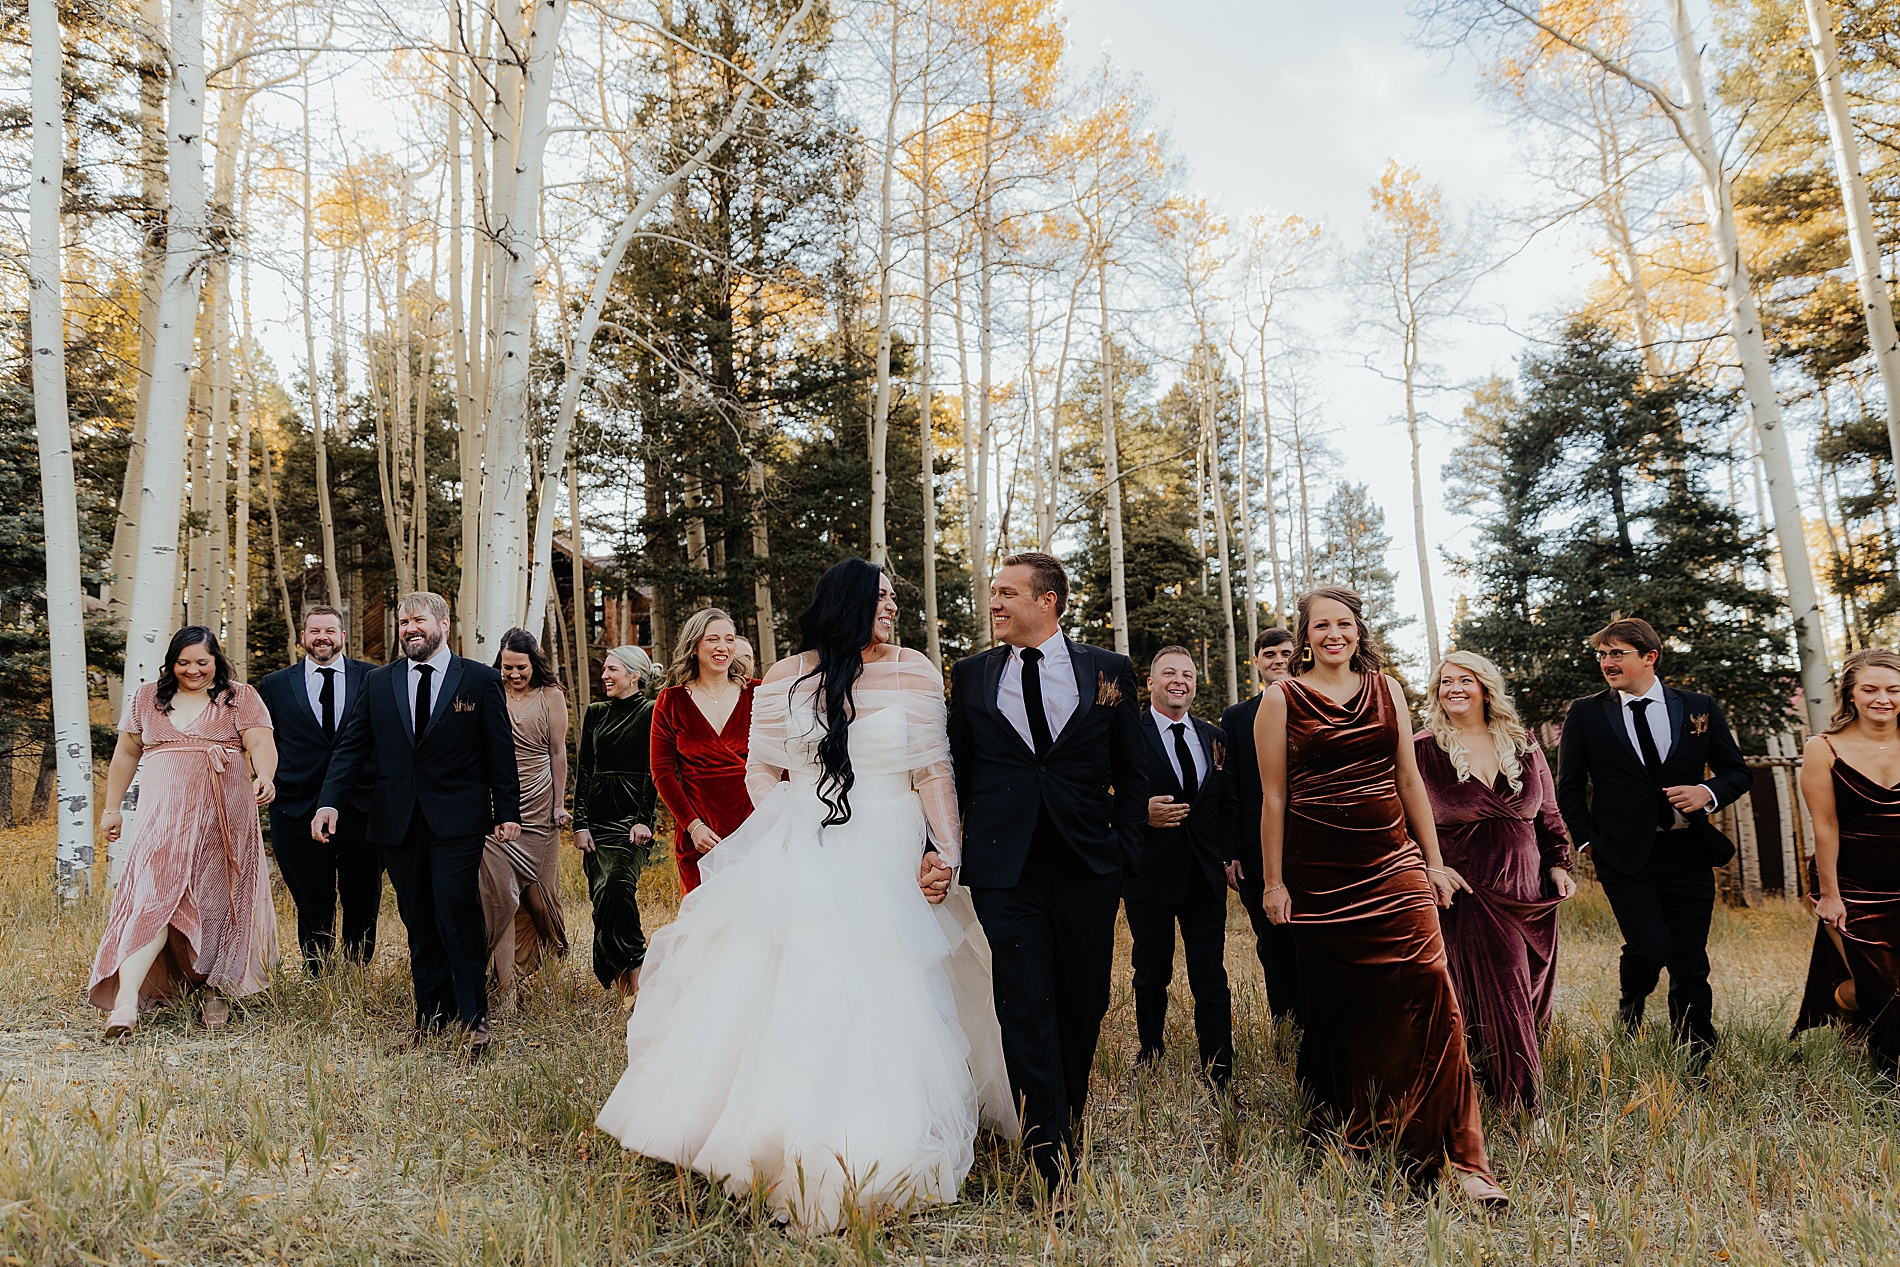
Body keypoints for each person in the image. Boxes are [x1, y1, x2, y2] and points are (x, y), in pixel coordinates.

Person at [597, 559, 1016, 1231]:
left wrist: (946, 853)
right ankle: (775, 1133)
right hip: (807, 846)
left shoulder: (913, 669)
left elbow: (934, 769)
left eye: (893, 596)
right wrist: (785, 824)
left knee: (889, 989)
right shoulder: (786, 676)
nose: (892, 607)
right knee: (799, 984)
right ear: (845, 602)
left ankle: (879, 1134)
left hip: (890, 848)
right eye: (880, 597)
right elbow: (762, 767)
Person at [1256, 588, 1505, 1205]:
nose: (1333, 634)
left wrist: (1434, 864)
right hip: (1320, 874)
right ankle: (1360, 1129)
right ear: (1305, 635)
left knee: (1432, 993)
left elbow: (1408, 777)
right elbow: (1274, 798)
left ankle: (1462, 1157)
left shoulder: (1387, 689)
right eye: (1321, 626)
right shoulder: (1279, 698)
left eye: (1344, 624)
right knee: (1345, 1009)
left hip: (1392, 862)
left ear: (1357, 631)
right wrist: (1274, 882)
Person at [947, 551, 1147, 1198]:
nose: (995, 603)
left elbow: (1134, 769)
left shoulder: (1108, 671)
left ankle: (1068, 1110)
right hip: (1006, 867)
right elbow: (958, 770)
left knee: (1083, 1000)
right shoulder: (972, 675)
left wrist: (1126, 856)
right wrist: (941, 847)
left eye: (1007, 592)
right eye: (993, 592)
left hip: (1089, 863)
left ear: (1049, 601)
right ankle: (1049, 1152)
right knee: (1024, 1001)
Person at [315, 592, 522, 1058]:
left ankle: (474, 1019)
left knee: (455, 910)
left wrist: (507, 810)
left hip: (458, 819)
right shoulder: (380, 682)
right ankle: (430, 1018)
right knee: (417, 919)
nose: (410, 628)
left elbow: (498, 751)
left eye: (419, 620)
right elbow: (351, 748)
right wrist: (330, 802)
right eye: (403, 621)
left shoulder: (480, 679)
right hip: (396, 819)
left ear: (444, 624)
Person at [1555, 616, 1749, 1062]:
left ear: (1649, 657)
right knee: (1649, 947)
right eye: (1602, 654)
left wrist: (1708, 792)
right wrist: (1587, 843)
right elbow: (1569, 787)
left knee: (1689, 957)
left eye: (1617, 653)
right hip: (1623, 856)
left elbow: (1736, 772)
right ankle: (1631, 1007)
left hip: (1688, 851)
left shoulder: (1698, 706)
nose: (1607, 662)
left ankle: (1696, 1050)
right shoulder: (1586, 711)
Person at [90, 627, 280, 1037]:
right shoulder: (147, 697)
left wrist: (264, 774)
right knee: (151, 902)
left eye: (202, 662)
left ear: (216, 660)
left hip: (223, 816)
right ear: (170, 662)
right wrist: (111, 809)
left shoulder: (239, 696)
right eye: (183, 662)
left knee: (219, 902)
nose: (192, 670)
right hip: (163, 820)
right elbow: (125, 753)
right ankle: (125, 1003)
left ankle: (217, 990)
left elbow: (261, 742)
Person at [1415, 651, 1575, 1117]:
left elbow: (1548, 812)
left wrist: (1558, 863)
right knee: (1504, 997)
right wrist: (1432, 867)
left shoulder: (1522, 743)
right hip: (1469, 891)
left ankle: (1481, 1081)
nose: (1454, 689)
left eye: (1465, 680)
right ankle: (1525, 1108)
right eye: (1445, 682)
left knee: (1525, 998)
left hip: (1530, 893)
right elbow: (1403, 821)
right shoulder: (1423, 748)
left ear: (1486, 687)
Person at [1125, 646, 1233, 1086]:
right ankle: (1150, 1050)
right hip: (1148, 874)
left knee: (1211, 975)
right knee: (1152, 973)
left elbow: (1228, 803)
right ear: (1150, 683)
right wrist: (1138, 812)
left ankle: (1219, 1066)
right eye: (1168, 673)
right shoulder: (1128, 731)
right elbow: (1094, 790)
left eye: (1186, 674)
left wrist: (1228, 856)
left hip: (1205, 877)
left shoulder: (1214, 737)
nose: (1179, 681)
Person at [255, 606, 381, 971]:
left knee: (363, 890)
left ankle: (358, 965)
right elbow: (263, 741)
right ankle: (318, 969)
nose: (321, 637)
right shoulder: (276, 684)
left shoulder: (373, 678)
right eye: (314, 631)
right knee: (312, 894)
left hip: (361, 804)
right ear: (303, 638)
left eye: (329, 630)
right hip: (296, 805)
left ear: (343, 636)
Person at [1794, 649, 1900, 1073]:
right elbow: (1826, 827)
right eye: (1870, 689)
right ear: (1851, 695)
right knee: (1888, 991)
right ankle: (1890, 1080)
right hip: (1852, 884)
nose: (1883, 699)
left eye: (1894, 690)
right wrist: (1831, 896)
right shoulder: (1824, 748)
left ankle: (1842, 999)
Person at [478, 629, 570, 1016]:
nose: (513, 674)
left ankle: (549, 970)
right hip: (498, 810)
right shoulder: (490, 692)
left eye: (520, 667)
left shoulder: (551, 696)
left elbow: (558, 753)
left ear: (535, 663)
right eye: (506, 667)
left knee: (538, 898)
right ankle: (507, 991)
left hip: (540, 809)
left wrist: (559, 805)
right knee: (499, 897)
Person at [1219, 627, 1301, 1022]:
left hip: (1316, 841)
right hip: (1256, 847)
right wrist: (1231, 852)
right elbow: (1230, 786)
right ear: (1257, 662)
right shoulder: (1236, 717)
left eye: (1286, 652)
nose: (1278, 660)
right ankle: (1287, 1030)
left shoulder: (1322, 705)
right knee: (1273, 942)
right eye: (1269, 654)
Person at [574, 645, 660, 1011]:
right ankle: (627, 994)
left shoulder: (652, 712)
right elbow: (585, 771)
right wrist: (579, 824)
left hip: (630, 823)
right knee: (603, 902)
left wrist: (644, 819)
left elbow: (653, 770)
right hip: (596, 821)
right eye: (605, 670)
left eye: (612, 670)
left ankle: (639, 976)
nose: (605, 676)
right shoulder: (595, 713)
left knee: (617, 887)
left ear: (634, 675)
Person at [650, 609, 758, 894]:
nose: (723, 647)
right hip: (700, 832)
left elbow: (781, 762)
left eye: (729, 639)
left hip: (754, 826)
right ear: (694, 647)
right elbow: (662, 773)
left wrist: (775, 820)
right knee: (704, 922)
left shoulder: (758, 693)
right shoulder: (670, 701)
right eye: (712, 639)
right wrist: (692, 825)